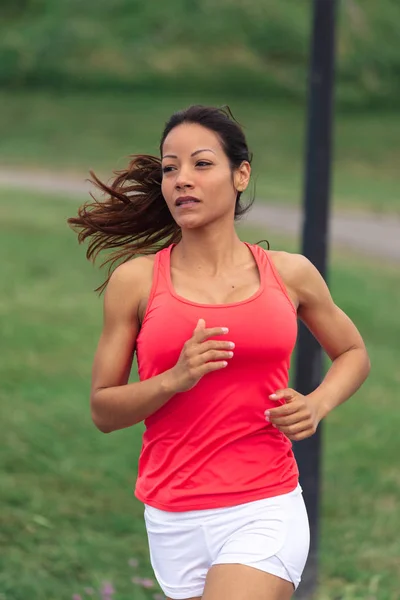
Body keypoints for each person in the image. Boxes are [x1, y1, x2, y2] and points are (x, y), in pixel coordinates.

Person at [68, 105, 370, 600]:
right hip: (173, 515)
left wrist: (318, 404)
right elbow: (103, 409)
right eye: (170, 168)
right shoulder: (137, 282)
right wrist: (172, 378)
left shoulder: (289, 273)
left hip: (265, 503)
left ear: (241, 174)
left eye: (201, 164)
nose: (182, 179)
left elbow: (353, 351)